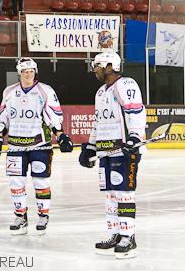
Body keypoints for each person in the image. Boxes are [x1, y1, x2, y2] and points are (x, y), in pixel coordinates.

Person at [0, 57, 74, 235]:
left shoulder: (45, 91)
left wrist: (61, 136)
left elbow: (53, 116)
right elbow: (3, 116)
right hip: (15, 146)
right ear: (19, 73)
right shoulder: (9, 91)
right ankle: (20, 216)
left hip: (39, 145)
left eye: (31, 71)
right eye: (25, 71)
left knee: (40, 181)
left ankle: (43, 215)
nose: (28, 74)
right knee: (15, 182)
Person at [79, 52, 146, 259]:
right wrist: (91, 146)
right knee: (110, 195)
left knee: (124, 194)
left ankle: (128, 236)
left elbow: (135, 111)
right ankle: (115, 234)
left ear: (110, 66)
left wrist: (134, 137)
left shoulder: (126, 85)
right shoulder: (100, 92)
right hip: (105, 151)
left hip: (124, 150)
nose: (95, 70)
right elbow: (99, 122)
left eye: (98, 66)